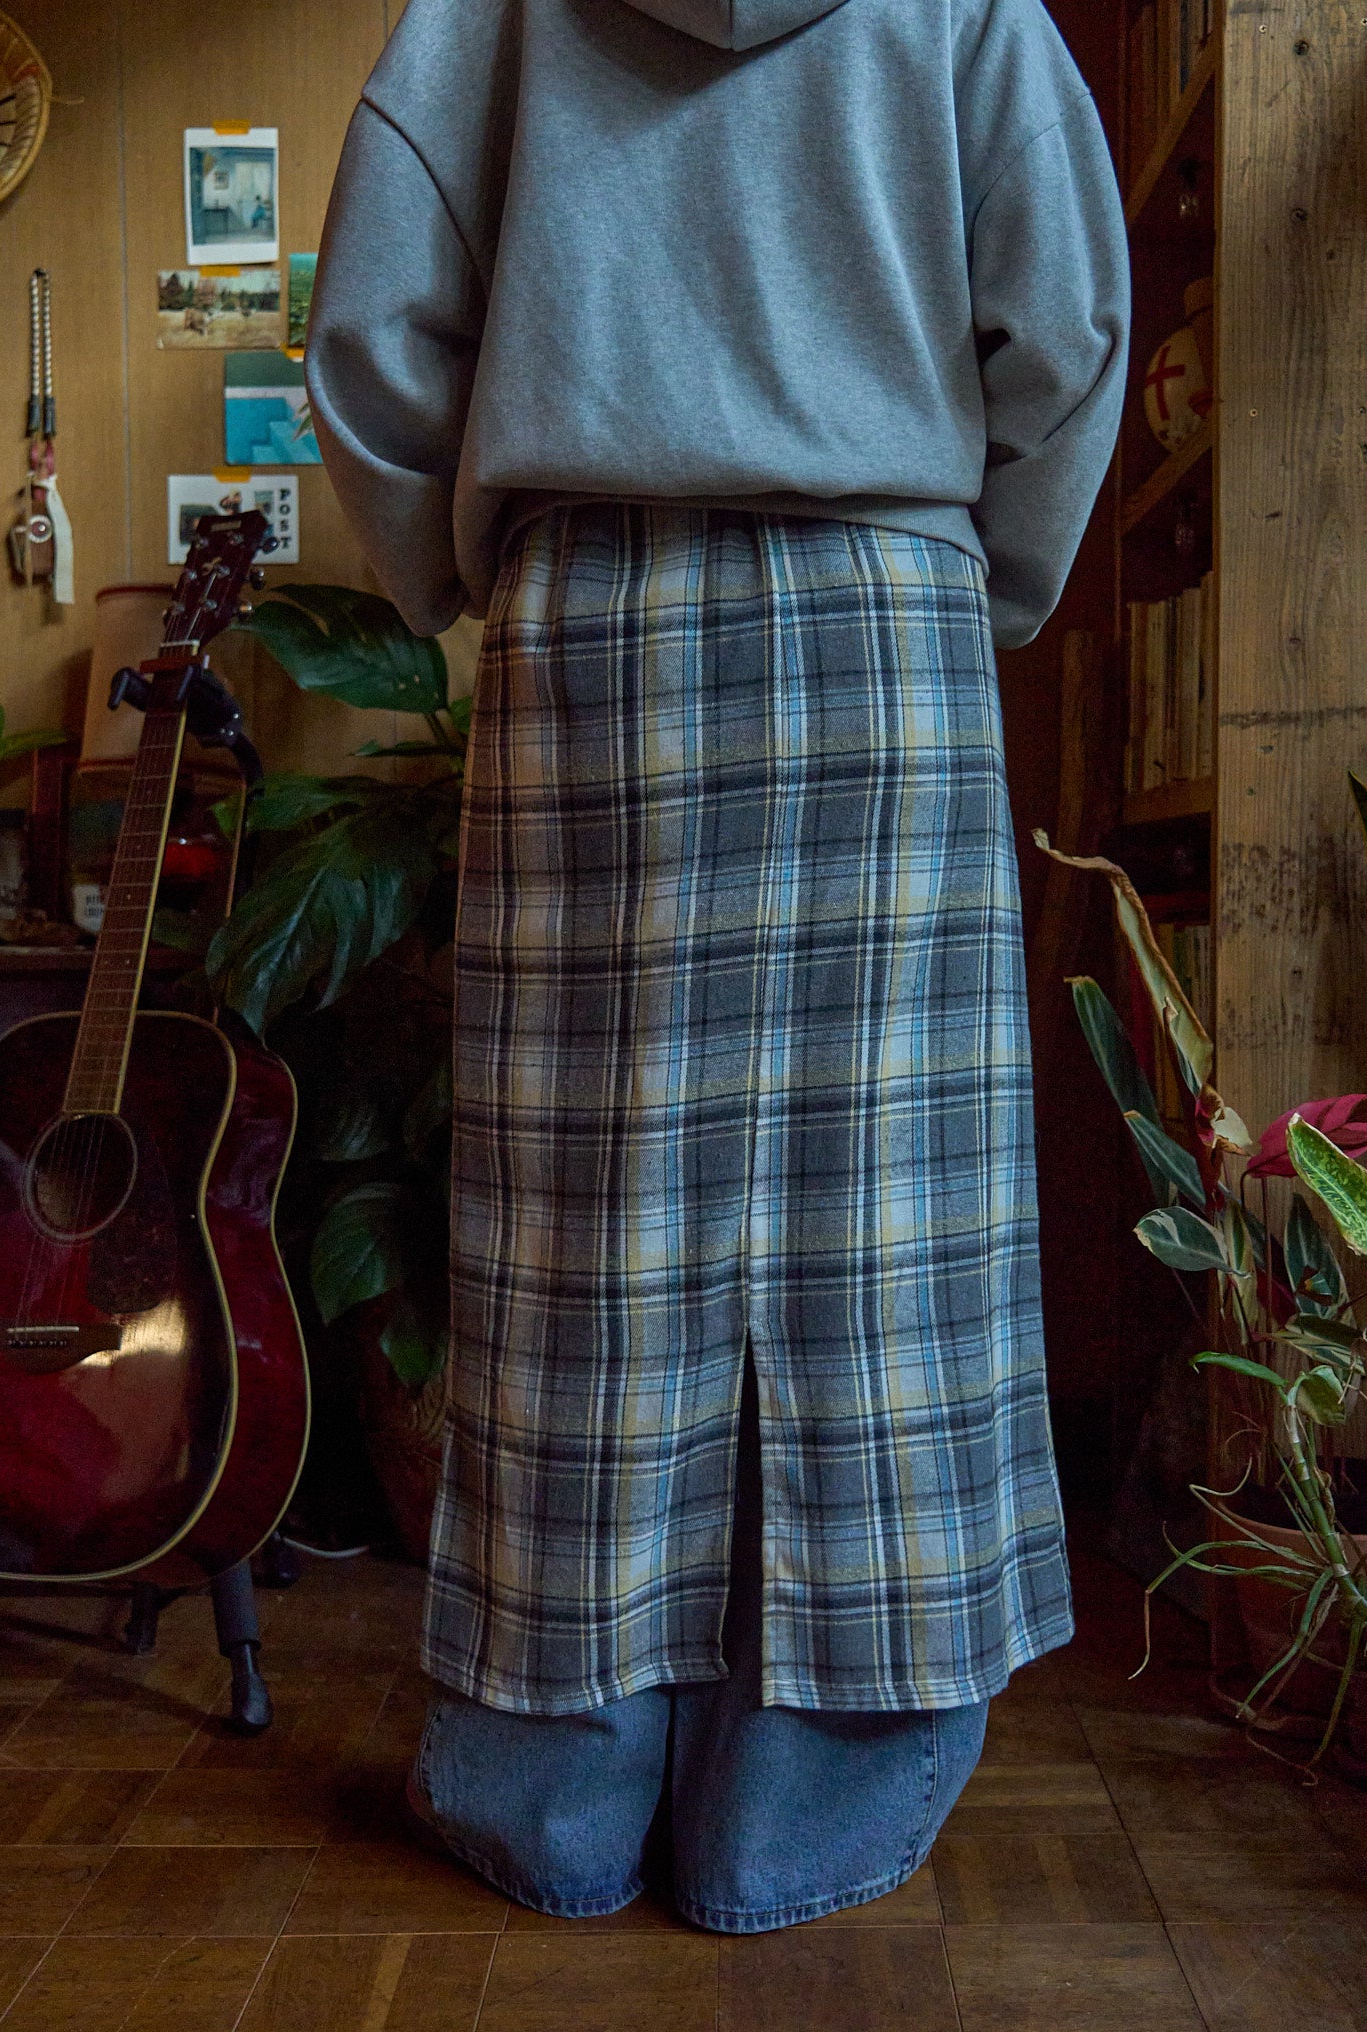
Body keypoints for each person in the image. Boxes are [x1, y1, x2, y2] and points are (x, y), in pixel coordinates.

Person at [306, 0, 1130, 1934]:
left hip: (592, 632)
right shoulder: (970, 9)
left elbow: (373, 337)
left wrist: (460, 570)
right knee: (879, 1230)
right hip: (886, 617)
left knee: (585, 1223)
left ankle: (560, 1781)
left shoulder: (492, 15)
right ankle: (803, 1798)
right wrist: (982, 570)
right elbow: (1068, 329)